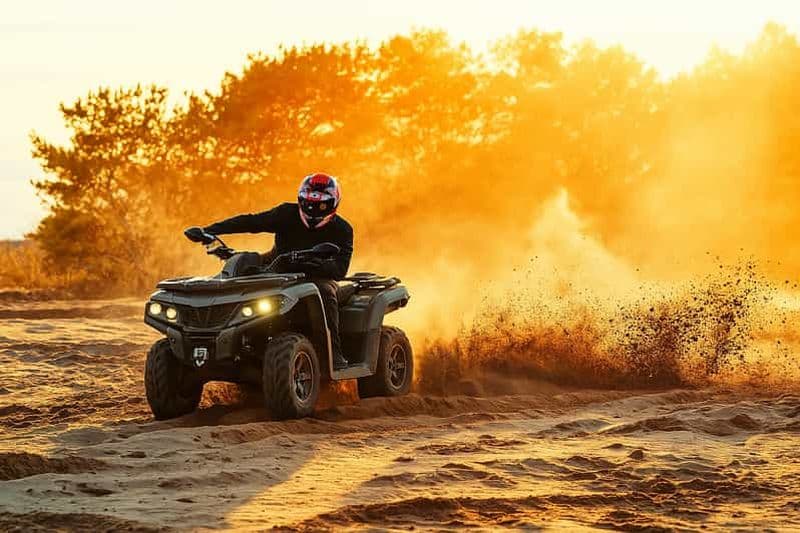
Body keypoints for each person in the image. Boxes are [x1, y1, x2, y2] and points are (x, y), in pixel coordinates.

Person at [201, 172, 353, 369]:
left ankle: (333, 354)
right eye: (308, 203)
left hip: (318, 276)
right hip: (277, 266)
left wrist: (315, 264)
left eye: (321, 205)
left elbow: (340, 269)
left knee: (325, 293)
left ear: (332, 204)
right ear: (301, 199)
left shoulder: (343, 229)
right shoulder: (286, 213)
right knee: (243, 264)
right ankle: (218, 341)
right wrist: (211, 230)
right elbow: (252, 222)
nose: (314, 209)